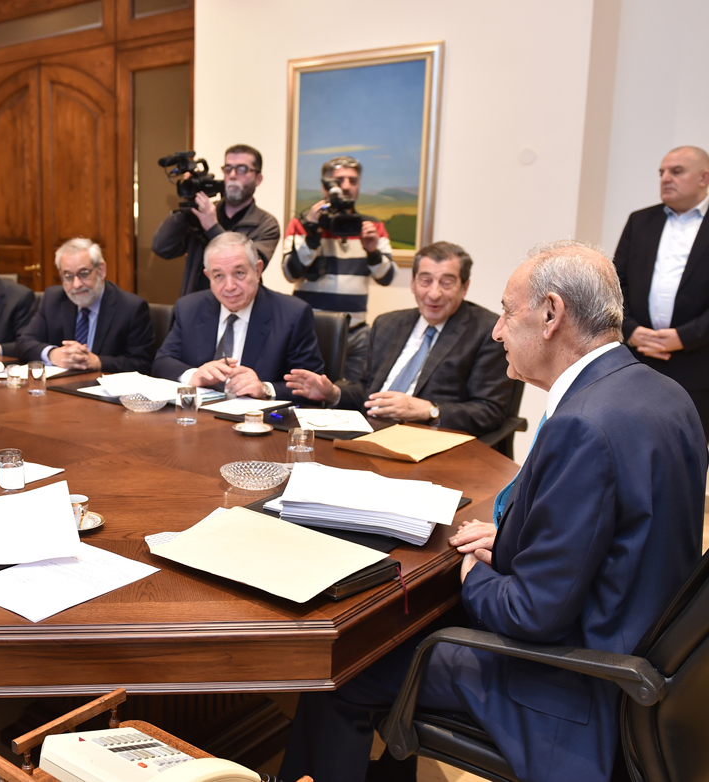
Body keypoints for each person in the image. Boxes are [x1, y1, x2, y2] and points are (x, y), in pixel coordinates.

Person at [280, 241, 706, 782]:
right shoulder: (664, 393)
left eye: (507, 312)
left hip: (572, 686)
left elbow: (530, 615)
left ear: (551, 314)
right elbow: (614, 536)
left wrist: (471, 570)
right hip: (640, 656)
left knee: (344, 670)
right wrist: (507, 541)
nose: (497, 331)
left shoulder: (581, 426)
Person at [284, 241, 514, 436]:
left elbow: (489, 411)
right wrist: (334, 393)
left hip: (426, 439)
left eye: (446, 282)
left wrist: (430, 411)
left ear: (464, 287)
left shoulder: (486, 331)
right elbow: (367, 391)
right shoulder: (388, 324)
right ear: (413, 283)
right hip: (367, 433)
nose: (434, 293)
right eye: (425, 281)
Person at [153, 232, 324, 400]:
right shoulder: (190, 308)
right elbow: (162, 363)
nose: (229, 286)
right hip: (200, 414)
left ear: (258, 270)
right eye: (219, 276)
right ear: (208, 276)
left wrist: (265, 389)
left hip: (257, 416)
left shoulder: (292, 314)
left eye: (239, 273)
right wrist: (193, 375)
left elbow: (311, 388)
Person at [613, 145, 709, 437]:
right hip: (636, 357)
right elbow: (614, 283)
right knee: (627, 442)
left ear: (704, 178)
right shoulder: (640, 221)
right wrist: (631, 329)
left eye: (676, 171)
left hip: (697, 363)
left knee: (685, 449)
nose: (666, 178)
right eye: (662, 172)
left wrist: (684, 337)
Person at [282, 156, 396, 382]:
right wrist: (312, 236)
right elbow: (290, 273)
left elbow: (387, 277)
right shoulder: (302, 223)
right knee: (305, 392)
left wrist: (372, 251)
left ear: (359, 185)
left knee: (354, 395)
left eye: (352, 181)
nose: (346, 186)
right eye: (339, 180)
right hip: (311, 330)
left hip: (357, 332)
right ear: (325, 187)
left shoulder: (372, 225)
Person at [152, 144, 281, 298]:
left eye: (242, 169)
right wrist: (187, 208)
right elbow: (162, 248)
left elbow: (251, 265)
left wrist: (212, 227)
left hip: (239, 305)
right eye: (228, 169)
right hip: (196, 305)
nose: (232, 175)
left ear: (258, 179)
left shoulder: (266, 224)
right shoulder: (204, 212)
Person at [16, 238, 154, 373]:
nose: (76, 284)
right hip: (62, 384)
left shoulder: (131, 308)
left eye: (84, 274)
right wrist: (53, 354)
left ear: (101, 270)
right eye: (68, 276)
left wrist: (99, 362)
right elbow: (24, 342)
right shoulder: (53, 299)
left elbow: (142, 364)